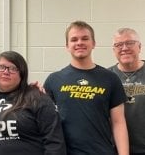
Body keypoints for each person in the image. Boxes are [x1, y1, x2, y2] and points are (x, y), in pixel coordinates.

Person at [44, 20, 129, 155]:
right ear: (67, 46)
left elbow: (118, 122)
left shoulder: (110, 79)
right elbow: (45, 123)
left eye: (85, 38)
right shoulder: (53, 80)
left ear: (93, 43)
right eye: (74, 39)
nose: (79, 43)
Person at [0, 51, 66, 155]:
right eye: (1, 67)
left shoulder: (37, 98)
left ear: (22, 74)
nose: (6, 72)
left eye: (13, 68)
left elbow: (55, 143)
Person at [108, 28, 145, 155]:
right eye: (118, 45)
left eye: (129, 43)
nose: (124, 48)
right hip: (116, 151)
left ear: (139, 46)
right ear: (114, 50)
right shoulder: (106, 77)